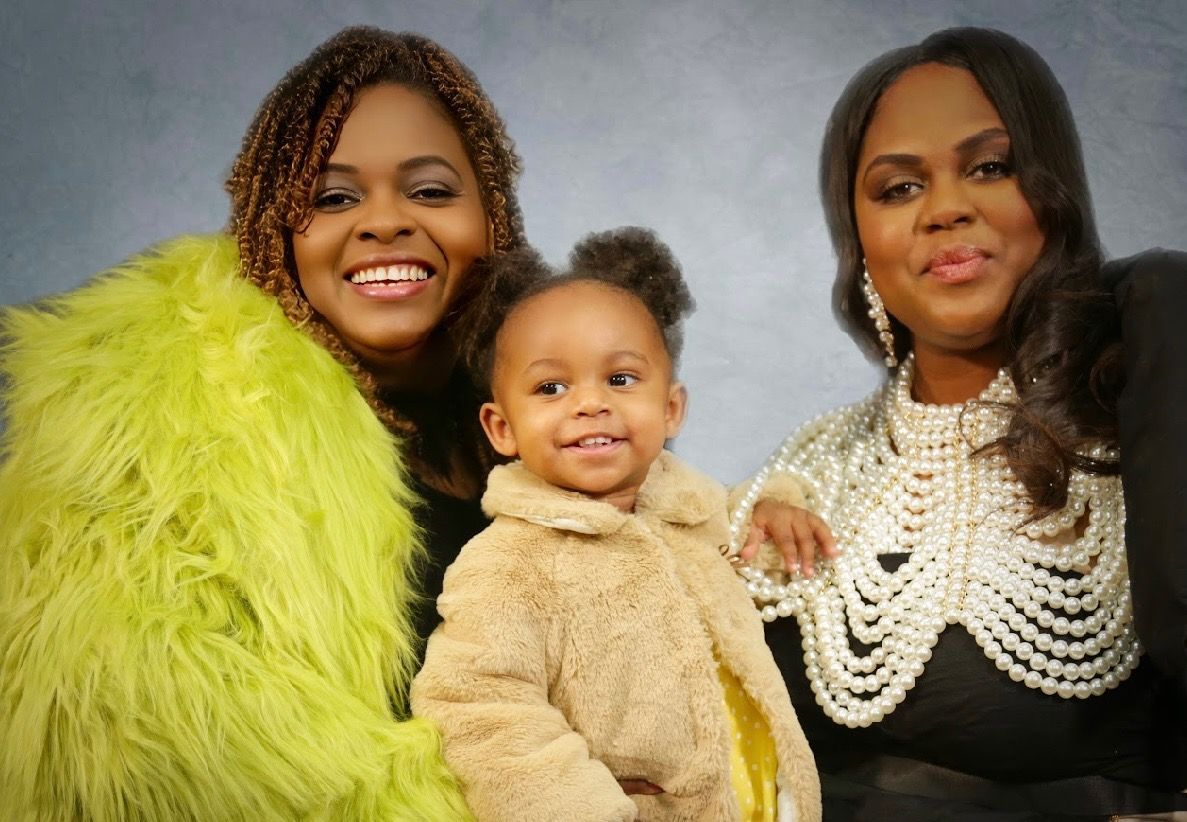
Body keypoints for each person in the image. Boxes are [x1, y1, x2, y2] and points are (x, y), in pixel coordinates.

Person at [0, 27, 524, 819]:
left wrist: (774, 511)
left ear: (493, 218)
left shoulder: (548, 397)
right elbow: (152, 743)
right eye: (332, 197)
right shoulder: (156, 418)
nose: (384, 222)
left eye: (429, 190)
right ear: (272, 227)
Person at [733, 26, 1187, 821]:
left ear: (1052, 194)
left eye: (989, 167)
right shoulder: (809, 461)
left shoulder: (1139, 416)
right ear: (858, 242)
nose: (944, 209)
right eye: (897, 188)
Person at [410, 227, 824, 822]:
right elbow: (479, 709)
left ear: (670, 407)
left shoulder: (690, 508)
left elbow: (750, 556)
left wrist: (774, 507)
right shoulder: (509, 563)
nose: (589, 403)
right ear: (501, 428)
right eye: (551, 387)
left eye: (621, 379)